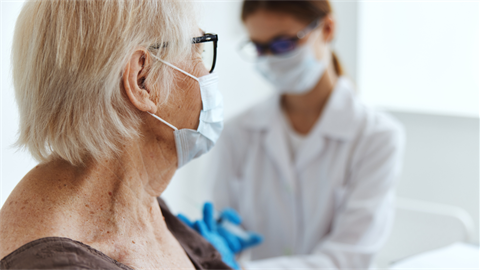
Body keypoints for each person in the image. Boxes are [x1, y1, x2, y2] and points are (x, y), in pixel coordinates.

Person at [0, 1, 233, 269]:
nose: (206, 75)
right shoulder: (53, 263)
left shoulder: (139, 205)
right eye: (198, 51)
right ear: (142, 80)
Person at [210, 0, 406, 268]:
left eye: (283, 44)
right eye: (260, 48)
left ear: (326, 29)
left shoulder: (377, 137)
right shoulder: (237, 132)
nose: (271, 59)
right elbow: (223, 230)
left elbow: (348, 257)